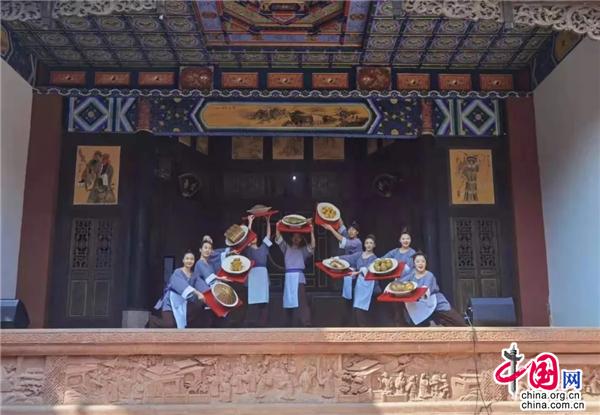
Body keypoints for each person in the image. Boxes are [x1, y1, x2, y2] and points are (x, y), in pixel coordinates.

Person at [400, 252, 466, 327]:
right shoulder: (412, 274)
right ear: (414, 264)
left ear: (426, 263)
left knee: (458, 321)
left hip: (435, 301)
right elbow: (400, 283)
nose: (420, 263)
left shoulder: (429, 275)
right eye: (417, 261)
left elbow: (425, 289)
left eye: (423, 261)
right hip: (419, 304)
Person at [148, 251, 211, 328]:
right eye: (187, 259)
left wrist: (212, 293)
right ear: (183, 260)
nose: (189, 261)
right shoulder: (177, 272)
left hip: (184, 303)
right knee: (169, 324)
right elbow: (181, 286)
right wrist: (197, 293)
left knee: (198, 307)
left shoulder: (194, 275)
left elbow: (203, 287)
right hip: (171, 302)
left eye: (191, 259)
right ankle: (152, 320)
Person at [275, 220, 315, 327]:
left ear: (301, 239)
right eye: (295, 237)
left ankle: (306, 322)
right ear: (292, 238)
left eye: (299, 237)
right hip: (289, 277)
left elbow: (313, 246)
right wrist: (277, 226)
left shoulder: (303, 251)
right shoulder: (286, 248)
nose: (297, 239)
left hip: (299, 277)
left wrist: (311, 231)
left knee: (301, 300)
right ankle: (287, 324)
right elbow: (279, 238)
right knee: (288, 300)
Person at [323, 220, 362, 325]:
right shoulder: (348, 236)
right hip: (347, 274)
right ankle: (347, 322)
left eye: (353, 230)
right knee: (347, 298)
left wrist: (331, 229)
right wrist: (335, 214)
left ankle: (355, 323)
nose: (351, 231)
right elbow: (341, 224)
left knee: (353, 299)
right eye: (350, 229)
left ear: (357, 232)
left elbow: (350, 256)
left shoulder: (357, 242)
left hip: (355, 274)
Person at [337, 234, 380, 326]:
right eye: (367, 243)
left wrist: (357, 272)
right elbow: (349, 258)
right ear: (364, 244)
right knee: (356, 308)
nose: (368, 245)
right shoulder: (359, 254)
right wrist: (337, 258)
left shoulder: (375, 259)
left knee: (363, 311)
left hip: (369, 287)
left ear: (374, 245)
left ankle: (364, 330)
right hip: (360, 286)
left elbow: (369, 268)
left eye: (371, 243)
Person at [243, 214, 273, 327]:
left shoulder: (264, 247)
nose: (253, 238)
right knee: (252, 299)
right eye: (252, 237)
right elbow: (246, 237)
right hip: (253, 275)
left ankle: (263, 323)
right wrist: (250, 222)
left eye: (255, 236)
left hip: (263, 276)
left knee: (263, 300)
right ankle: (251, 323)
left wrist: (268, 221)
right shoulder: (248, 249)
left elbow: (268, 235)